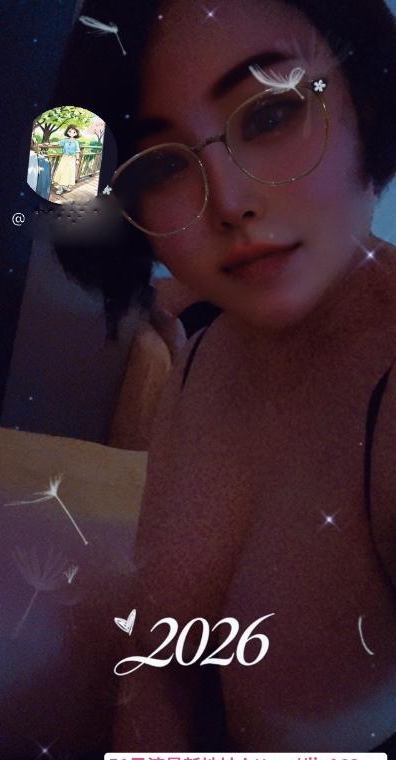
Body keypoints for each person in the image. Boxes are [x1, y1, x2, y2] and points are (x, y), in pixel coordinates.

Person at [52, 0, 396, 752]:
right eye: (164, 164)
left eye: (270, 114)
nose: (231, 202)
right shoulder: (197, 363)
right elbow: (156, 671)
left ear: (366, 98)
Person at [53, 123, 81, 194]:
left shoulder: (76, 142)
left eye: (74, 132)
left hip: (72, 159)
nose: (72, 133)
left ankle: (65, 186)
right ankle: (60, 187)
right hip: (64, 157)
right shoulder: (65, 140)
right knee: (62, 171)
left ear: (76, 133)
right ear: (67, 132)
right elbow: (58, 143)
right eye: (70, 131)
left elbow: (77, 151)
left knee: (69, 172)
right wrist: (49, 143)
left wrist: (77, 160)